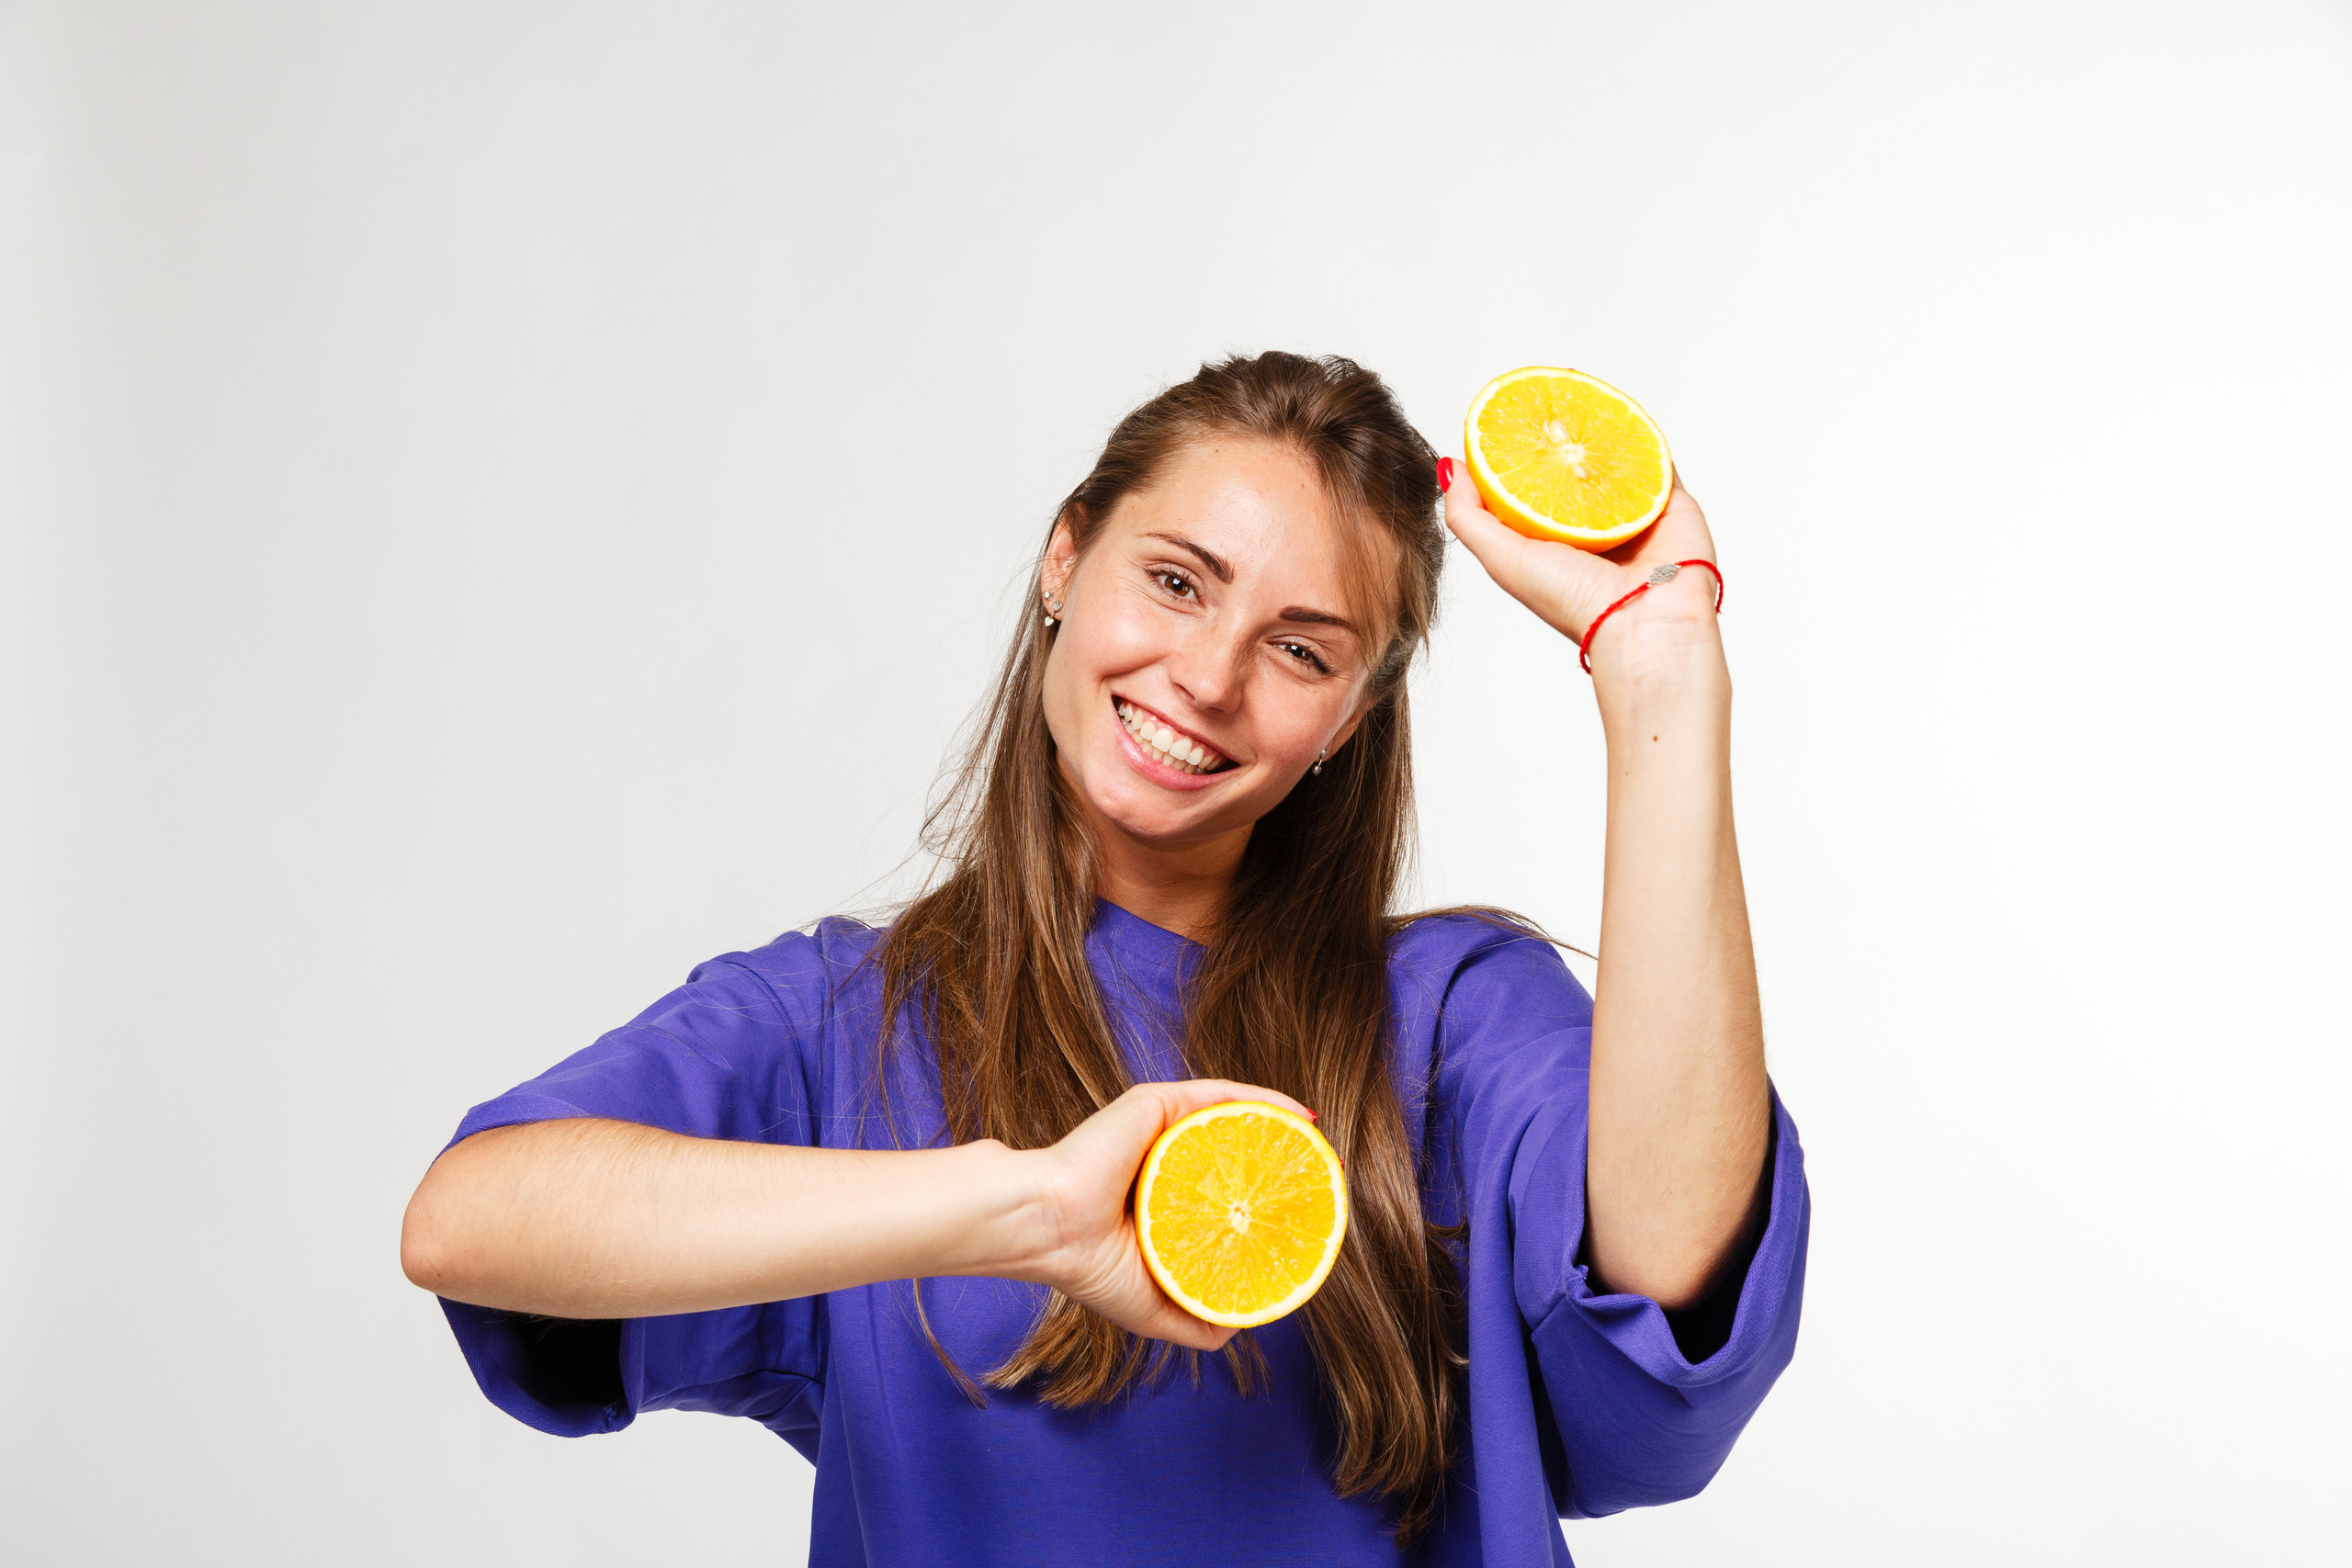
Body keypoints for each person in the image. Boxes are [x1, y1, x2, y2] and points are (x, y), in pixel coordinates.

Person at [400, 352, 1807, 1567]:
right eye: (1177, 582)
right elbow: (472, 1224)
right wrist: (1016, 1211)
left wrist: (1662, 671)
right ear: (1065, 560)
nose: (1208, 676)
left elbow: (1675, 1294)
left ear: (1350, 721)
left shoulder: (1453, 1018)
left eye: (1302, 652)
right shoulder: (840, 1025)